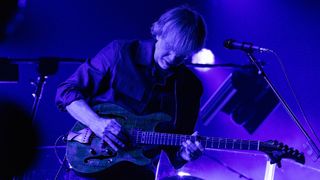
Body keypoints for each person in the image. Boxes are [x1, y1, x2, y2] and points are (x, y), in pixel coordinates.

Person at [55, 5, 207, 180]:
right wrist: (96, 122)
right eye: (170, 47)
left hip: (140, 173)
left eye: (182, 55)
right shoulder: (119, 53)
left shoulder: (190, 87)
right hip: (92, 162)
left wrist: (184, 156)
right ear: (159, 33)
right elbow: (66, 91)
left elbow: (173, 153)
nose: (173, 58)